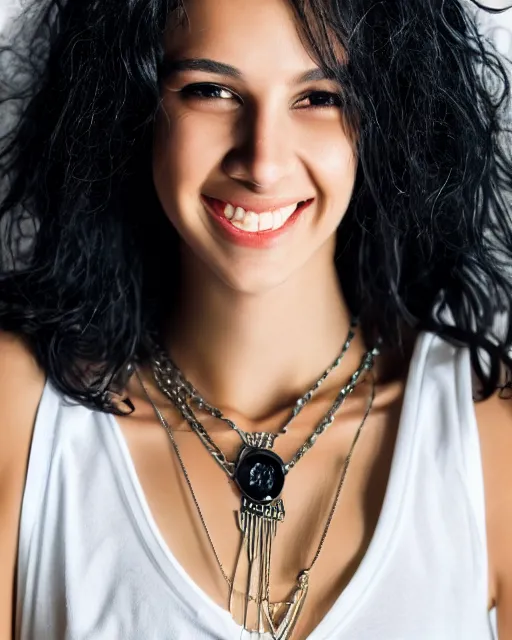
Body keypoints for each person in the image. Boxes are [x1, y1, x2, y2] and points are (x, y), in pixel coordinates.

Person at [1, 0, 512, 638]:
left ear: (386, 116)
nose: (263, 163)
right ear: (131, 104)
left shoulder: (491, 441)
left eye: (320, 96)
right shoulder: (20, 416)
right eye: (211, 90)